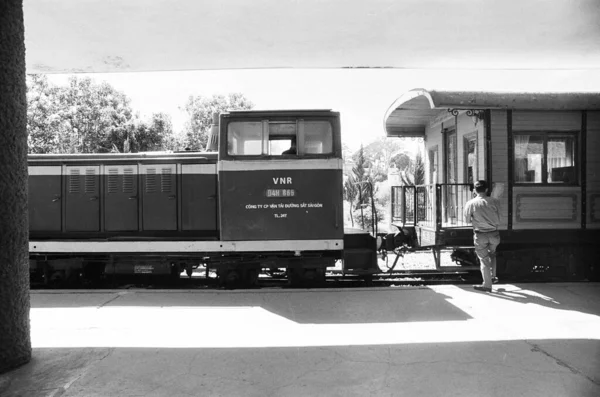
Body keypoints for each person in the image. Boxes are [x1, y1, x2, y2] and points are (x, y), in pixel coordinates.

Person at [463, 180, 501, 292]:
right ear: (487, 190)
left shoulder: (470, 203)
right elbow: (499, 219)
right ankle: (493, 276)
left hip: (481, 235)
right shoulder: (495, 201)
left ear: (474, 190)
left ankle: (487, 285)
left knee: (484, 260)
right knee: (492, 254)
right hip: (494, 234)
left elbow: (467, 220)